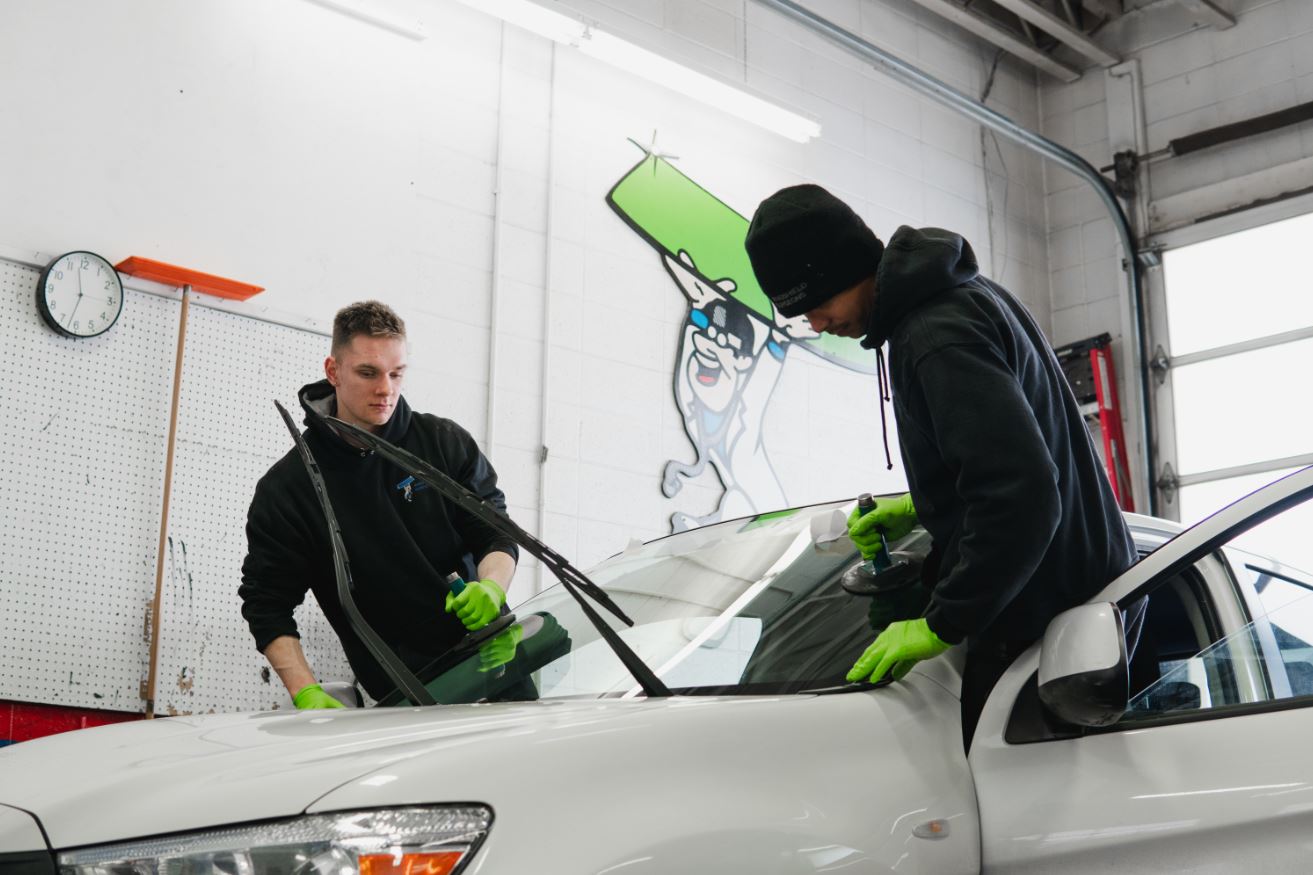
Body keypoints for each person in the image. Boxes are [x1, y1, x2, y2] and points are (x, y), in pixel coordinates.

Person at [744, 185, 1139, 748]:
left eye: (813, 303)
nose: (813, 323)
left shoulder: (934, 333)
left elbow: (1022, 496)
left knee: (1013, 814)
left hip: (1051, 626)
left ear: (841, 268)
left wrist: (941, 623)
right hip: (1073, 599)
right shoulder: (963, 296)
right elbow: (1019, 458)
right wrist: (922, 506)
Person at [239, 301, 518, 708]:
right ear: (333, 371)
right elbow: (267, 604)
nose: (385, 388)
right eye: (368, 373)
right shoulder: (290, 489)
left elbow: (496, 531)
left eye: (396, 373)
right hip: (407, 696)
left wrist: (492, 587)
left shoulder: (442, 443)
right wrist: (306, 691)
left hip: (499, 666)